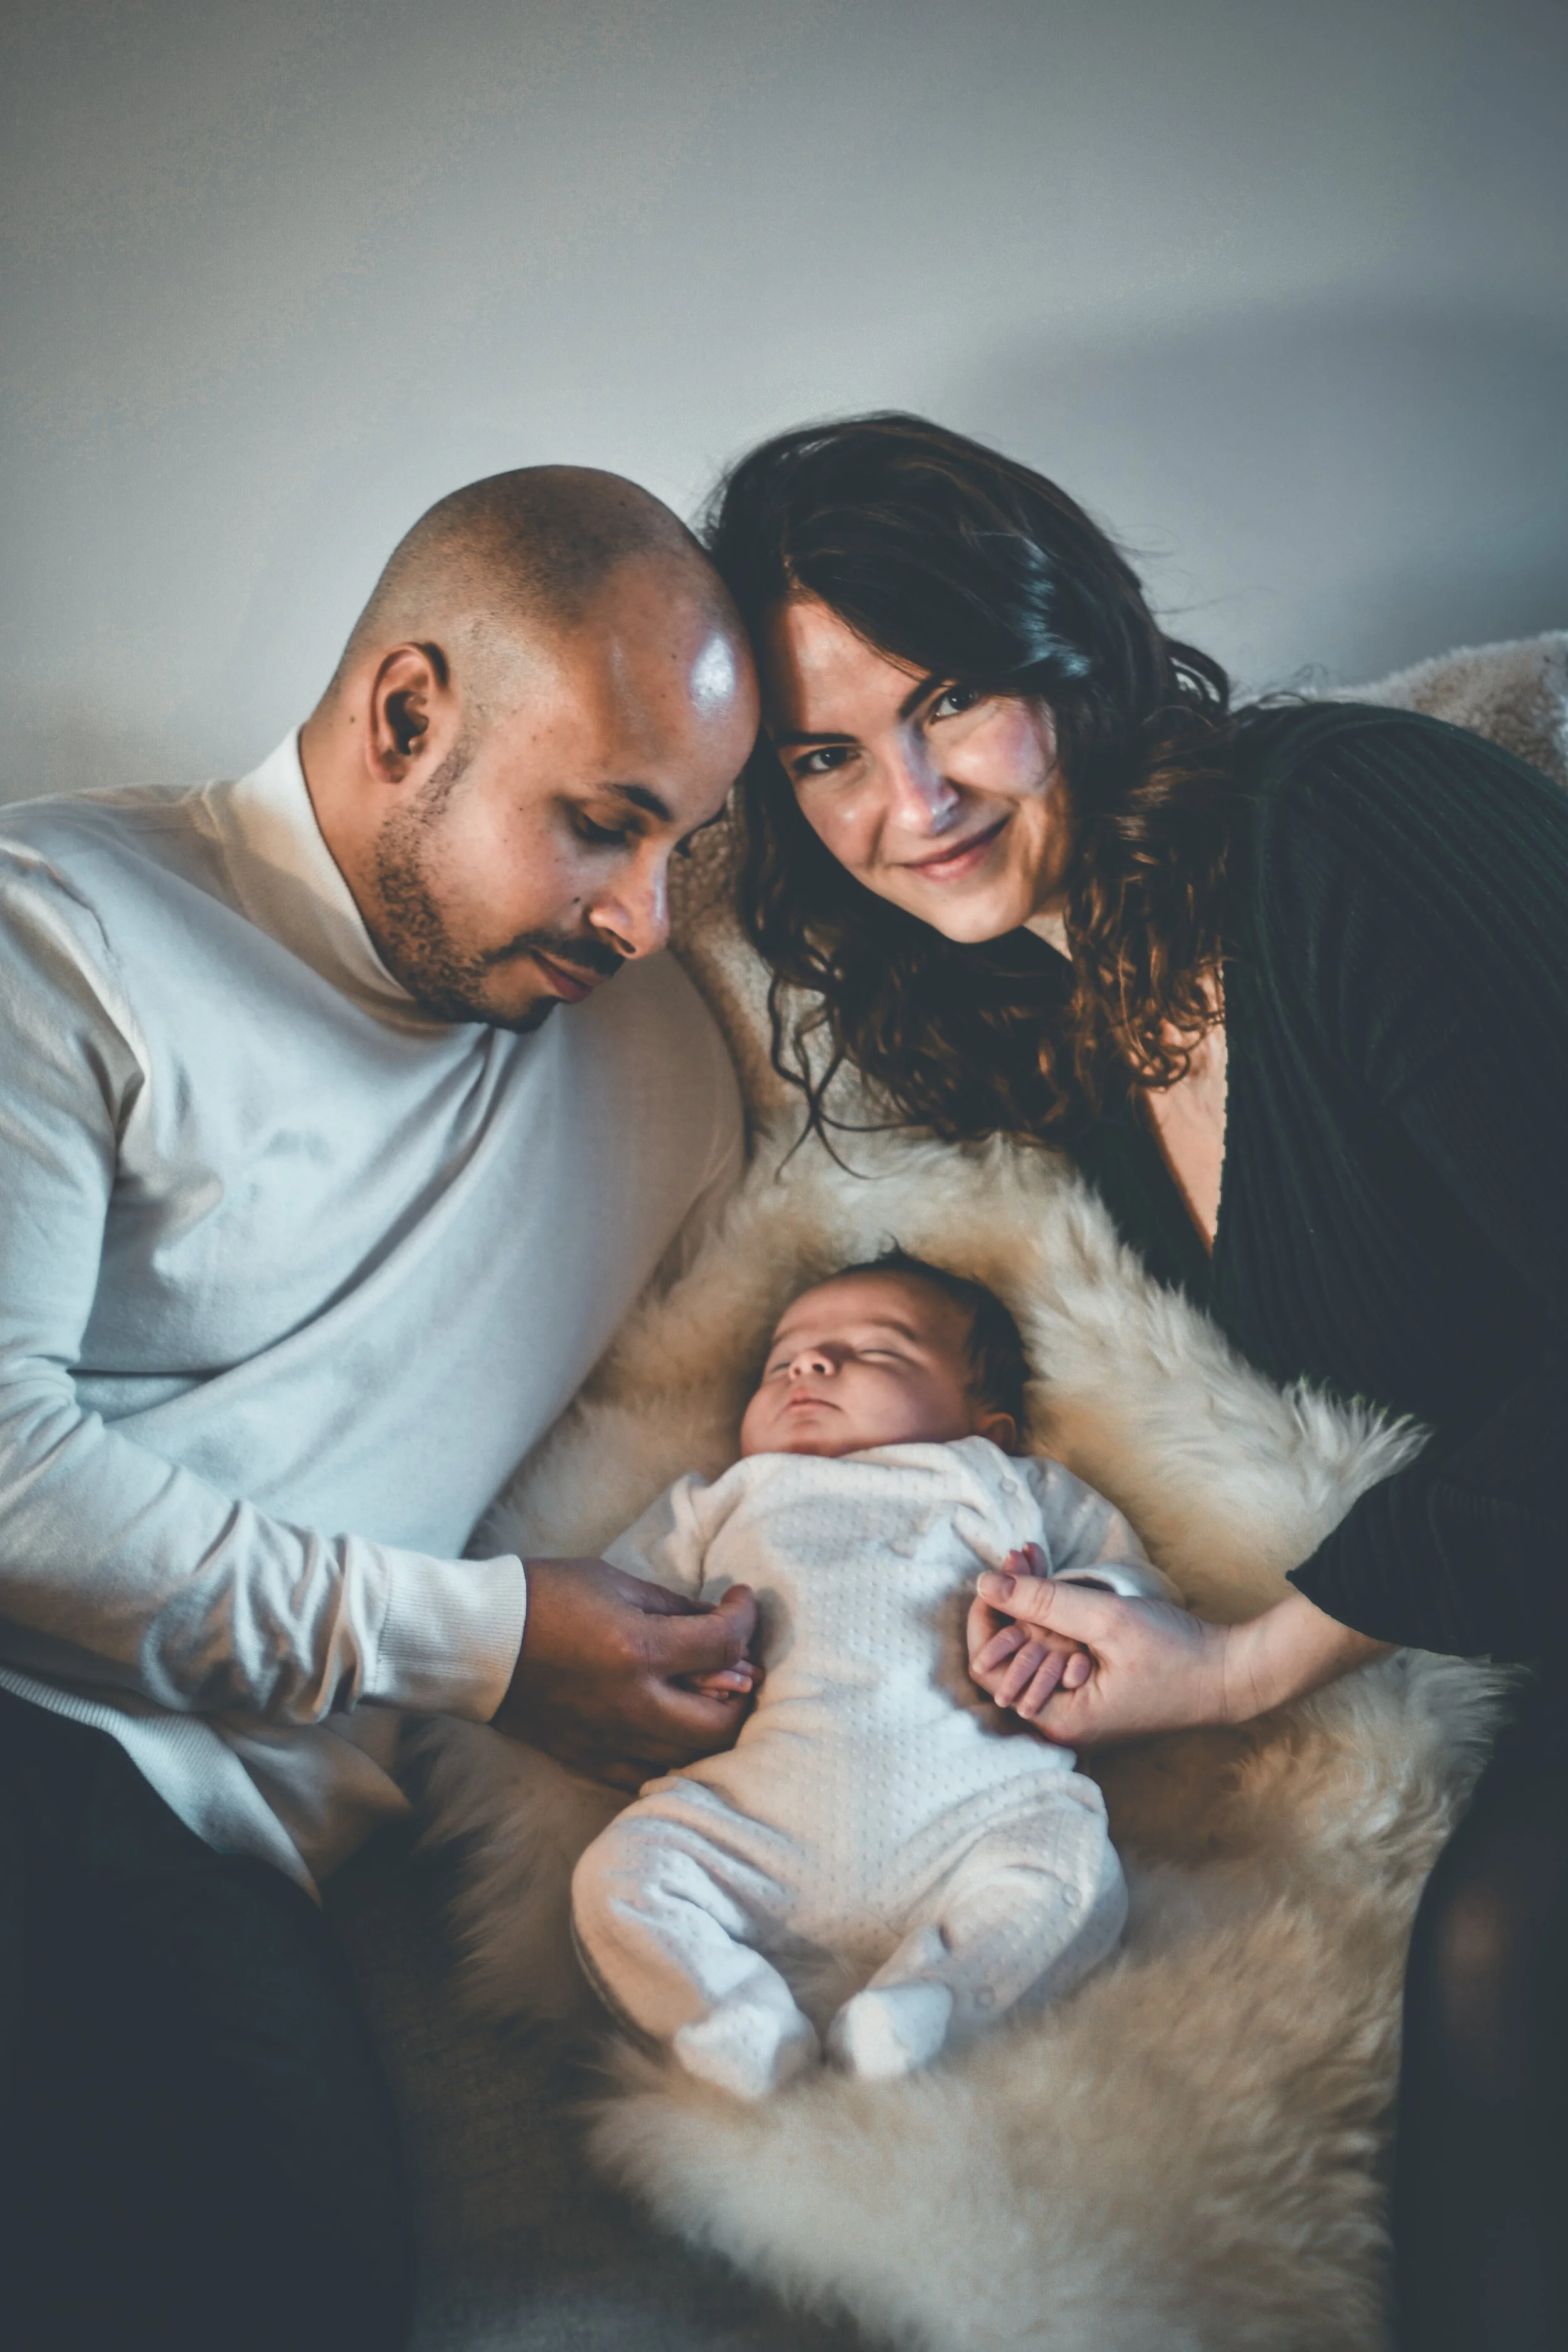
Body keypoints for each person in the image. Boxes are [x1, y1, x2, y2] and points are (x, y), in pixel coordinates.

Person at [702, 413, 1568, 2349]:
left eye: (949, 702)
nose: (904, 799)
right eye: (825, 754)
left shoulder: (1348, 831)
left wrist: (1254, 1656)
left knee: (1511, 1958)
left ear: (1064, 651)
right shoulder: (1033, 1007)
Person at [0, 465, 764, 2350]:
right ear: (406, 713)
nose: (645, 915)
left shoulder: (674, 1052)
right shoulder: (64, 933)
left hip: (221, 1866)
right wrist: (487, 1643)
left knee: (291, 2281)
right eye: (602, 823)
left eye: (686, 843)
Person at [570, 1251, 1172, 2100]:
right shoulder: (718, 1499)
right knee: (619, 1875)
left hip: (979, 1808)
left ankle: (925, 2011)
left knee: (1075, 1866)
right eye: (784, 1359)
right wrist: (677, 1655)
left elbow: (1140, 1587)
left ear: (984, 1423)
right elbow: (614, 1615)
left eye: (878, 1350)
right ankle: (730, 2020)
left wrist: (1075, 1615)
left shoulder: (1007, 1482)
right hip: (746, 1822)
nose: (811, 1365)